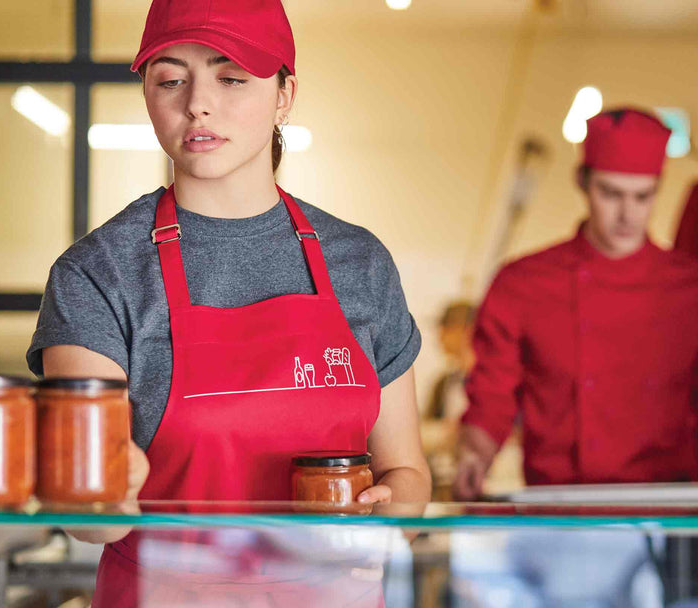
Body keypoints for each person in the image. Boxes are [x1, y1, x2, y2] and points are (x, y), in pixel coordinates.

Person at [26, 0, 430, 604]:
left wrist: (382, 515)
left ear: (285, 94)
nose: (198, 103)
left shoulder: (361, 263)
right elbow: (92, 520)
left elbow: (409, 473)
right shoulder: (98, 273)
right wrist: (99, 495)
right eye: (170, 79)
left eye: (231, 76)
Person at [454, 108, 698, 500]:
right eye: (611, 193)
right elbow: (491, 400)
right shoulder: (521, 284)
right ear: (583, 182)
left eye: (643, 196)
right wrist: (473, 454)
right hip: (558, 512)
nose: (627, 214)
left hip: (670, 519)